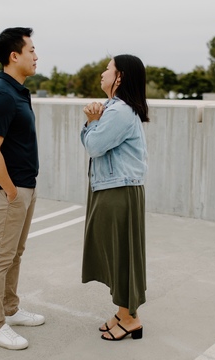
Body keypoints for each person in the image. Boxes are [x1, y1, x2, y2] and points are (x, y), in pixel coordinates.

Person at [0, 27, 44, 350]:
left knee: (15, 253)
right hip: (11, 190)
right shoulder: (3, 95)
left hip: (24, 186)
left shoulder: (18, 91)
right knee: (1, 256)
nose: (36, 56)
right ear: (13, 56)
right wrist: (11, 191)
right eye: (31, 50)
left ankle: (10, 309)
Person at [80, 54, 149, 341]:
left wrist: (91, 122)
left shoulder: (120, 111)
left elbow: (94, 146)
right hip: (112, 187)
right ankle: (123, 312)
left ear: (119, 77)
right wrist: (95, 119)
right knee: (116, 253)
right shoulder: (114, 108)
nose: (102, 73)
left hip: (119, 190)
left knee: (122, 255)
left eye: (108, 69)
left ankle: (131, 317)